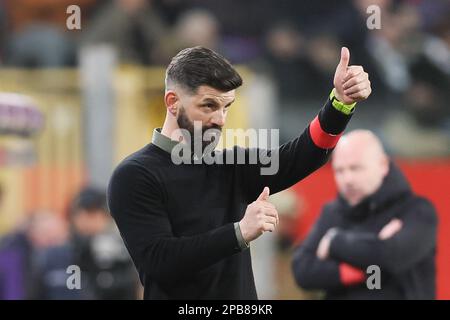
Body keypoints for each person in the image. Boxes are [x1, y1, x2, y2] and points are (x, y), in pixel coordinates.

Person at [107, 46, 371, 299]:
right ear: (173, 102)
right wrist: (239, 232)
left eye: (226, 107)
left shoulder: (230, 166)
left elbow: (302, 156)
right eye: (209, 106)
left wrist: (340, 104)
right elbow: (160, 261)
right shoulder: (134, 175)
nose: (221, 119)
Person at [292, 130, 438, 299]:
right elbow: (302, 271)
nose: (347, 179)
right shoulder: (332, 212)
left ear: (383, 165)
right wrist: (367, 262)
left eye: (356, 168)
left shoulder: (417, 211)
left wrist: (334, 242)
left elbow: (391, 258)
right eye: (339, 170)